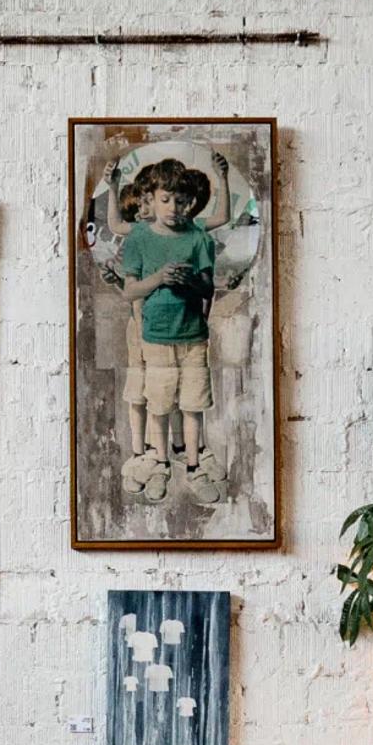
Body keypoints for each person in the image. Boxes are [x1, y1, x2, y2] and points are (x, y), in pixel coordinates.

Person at [105, 155, 228, 496]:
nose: (173, 208)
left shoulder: (198, 237)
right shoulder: (139, 237)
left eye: (181, 201)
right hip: (155, 337)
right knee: (158, 405)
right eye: (166, 200)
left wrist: (190, 281)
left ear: (190, 202)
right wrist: (160, 278)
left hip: (193, 337)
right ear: (151, 199)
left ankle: (194, 468)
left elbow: (208, 289)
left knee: (193, 406)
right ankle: (159, 464)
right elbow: (130, 290)